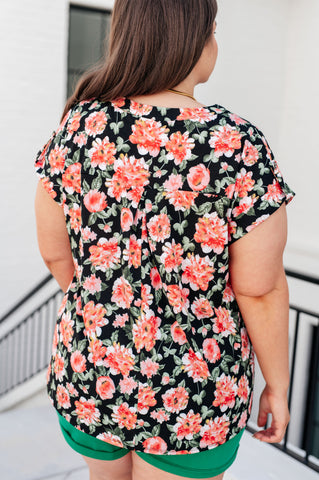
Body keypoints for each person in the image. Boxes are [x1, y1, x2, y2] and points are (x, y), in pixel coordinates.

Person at [34, 1, 294, 479]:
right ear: (191, 39)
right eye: (212, 29)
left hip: (93, 371)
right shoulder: (236, 144)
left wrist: (100, 306)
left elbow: (55, 251)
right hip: (192, 397)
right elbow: (259, 287)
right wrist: (278, 383)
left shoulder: (77, 128)